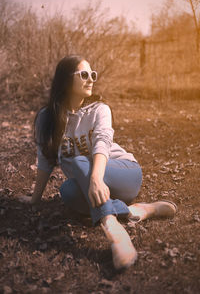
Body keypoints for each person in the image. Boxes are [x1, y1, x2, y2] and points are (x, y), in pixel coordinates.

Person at [19, 55, 177, 270]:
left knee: (77, 161)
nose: (91, 79)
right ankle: (138, 211)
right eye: (84, 74)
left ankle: (113, 230)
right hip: (91, 186)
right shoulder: (46, 118)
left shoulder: (99, 109)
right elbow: (45, 159)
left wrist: (95, 177)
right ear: (65, 79)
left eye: (93, 74)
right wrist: (34, 199)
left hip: (124, 173)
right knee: (67, 191)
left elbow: (102, 143)